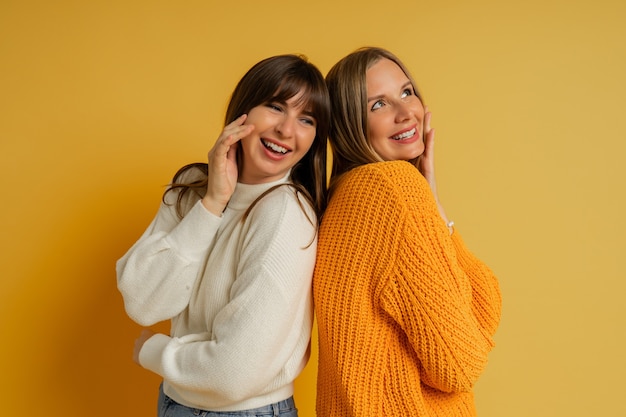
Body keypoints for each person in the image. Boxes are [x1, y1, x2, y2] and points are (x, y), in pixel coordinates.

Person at [116, 54, 330, 417]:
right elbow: (143, 302)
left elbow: (233, 372)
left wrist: (156, 351)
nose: (287, 130)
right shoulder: (192, 190)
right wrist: (213, 202)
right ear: (243, 110)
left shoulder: (284, 213)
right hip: (174, 403)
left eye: (306, 119)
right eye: (276, 107)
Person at [313, 47, 502, 416]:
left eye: (406, 92)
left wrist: (431, 204)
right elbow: (460, 363)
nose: (405, 113)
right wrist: (428, 202)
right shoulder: (394, 189)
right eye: (377, 105)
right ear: (351, 124)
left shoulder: (340, 196)